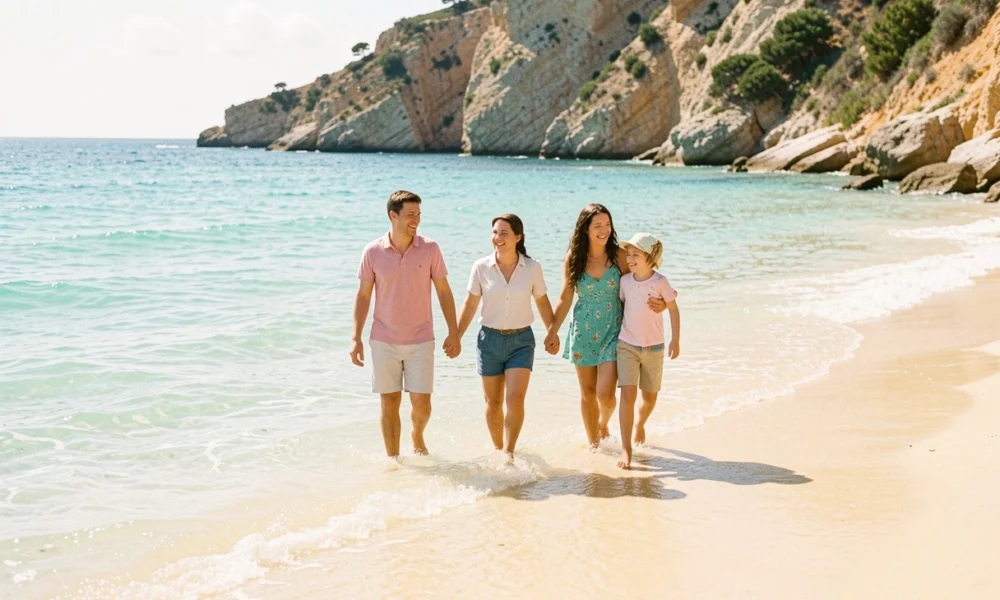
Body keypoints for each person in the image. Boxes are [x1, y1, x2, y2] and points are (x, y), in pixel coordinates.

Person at [350, 190, 461, 458]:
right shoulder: (372, 251)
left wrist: (453, 331)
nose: (416, 220)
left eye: (419, 214)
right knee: (389, 402)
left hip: (421, 338)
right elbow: (363, 296)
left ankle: (417, 434)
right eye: (411, 214)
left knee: (422, 404)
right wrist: (356, 338)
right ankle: (394, 459)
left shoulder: (430, 248)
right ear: (393, 215)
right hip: (383, 339)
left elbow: (444, 291)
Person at [550, 204, 666, 449]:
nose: (604, 230)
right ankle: (594, 446)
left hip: (615, 330)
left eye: (607, 225)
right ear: (585, 229)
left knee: (606, 395)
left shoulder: (620, 256)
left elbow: (644, 281)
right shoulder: (574, 257)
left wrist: (663, 302)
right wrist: (552, 330)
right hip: (582, 331)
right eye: (598, 225)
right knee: (587, 393)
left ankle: (603, 424)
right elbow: (565, 297)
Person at [456, 214, 559, 459]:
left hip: (521, 342)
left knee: (515, 399)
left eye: (504, 233)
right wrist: (456, 335)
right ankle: (498, 450)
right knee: (493, 403)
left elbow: (542, 301)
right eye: (495, 232)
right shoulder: (481, 267)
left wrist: (552, 332)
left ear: (518, 237)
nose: (498, 237)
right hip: (488, 341)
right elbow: (470, 304)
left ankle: (509, 454)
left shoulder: (532, 268)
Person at [614, 233, 680, 469]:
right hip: (627, 345)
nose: (630, 259)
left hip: (654, 347)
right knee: (627, 395)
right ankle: (626, 449)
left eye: (636, 255)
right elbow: (624, 306)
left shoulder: (661, 282)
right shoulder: (624, 281)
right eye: (629, 254)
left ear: (650, 257)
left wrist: (675, 340)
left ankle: (640, 424)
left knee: (650, 398)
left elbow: (673, 309)